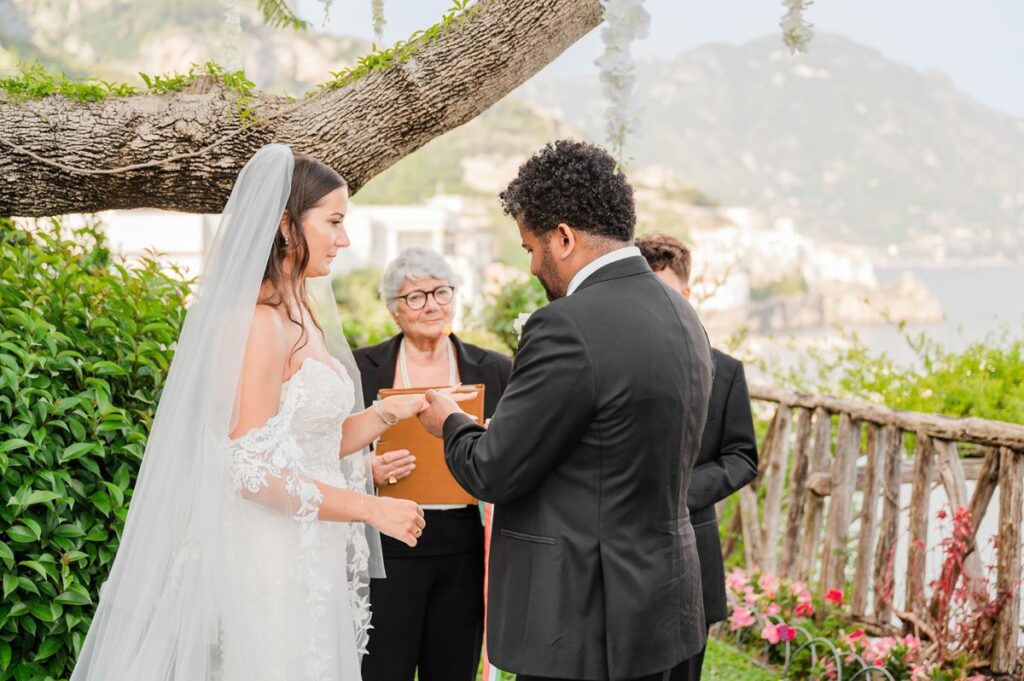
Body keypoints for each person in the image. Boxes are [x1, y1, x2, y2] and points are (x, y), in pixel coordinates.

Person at [70, 145, 438, 681]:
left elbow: (305, 443)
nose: (345, 239)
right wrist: (369, 508)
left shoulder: (300, 317)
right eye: (334, 222)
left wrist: (387, 414)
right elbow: (250, 469)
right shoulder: (258, 324)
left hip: (308, 552)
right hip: (267, 557)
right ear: (288, 227)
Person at [418, 140, 714, 681]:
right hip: (664, 606)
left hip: (583, 619)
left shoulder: (566, 325)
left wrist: (451, 423)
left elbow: (492, 468)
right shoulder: (682, 313)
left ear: (563, 237)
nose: (532, 265)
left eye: (531, 247)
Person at [354, 247, 512, 681]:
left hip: (465, 541)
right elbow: (331, 446)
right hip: (388, 544)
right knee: (384, 667)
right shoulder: (362, 369)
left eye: (442, 292)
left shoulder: (496, 369)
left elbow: (513, 451)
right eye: (416, 297)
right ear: (394, 311)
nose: (432, 305)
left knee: (453, 669)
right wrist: (366, 469)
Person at [636, 233, 759, 681]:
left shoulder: (725, 371)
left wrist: (680, 494)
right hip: (624, 558)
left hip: (694, 549)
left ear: (686, 294)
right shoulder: (617, 365)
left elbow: (743, 456)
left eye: (663, 293)